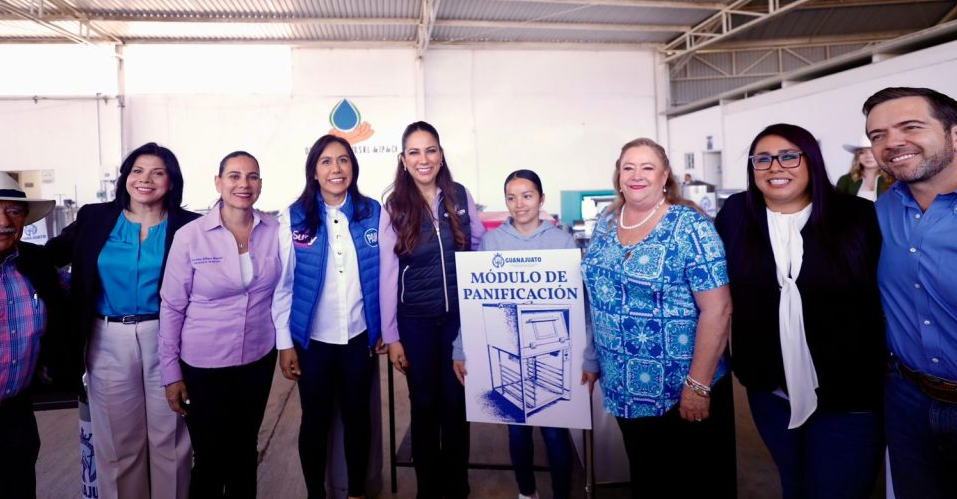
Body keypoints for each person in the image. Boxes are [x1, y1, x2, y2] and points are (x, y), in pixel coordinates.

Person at [715, 124, 886, 499]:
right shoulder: (735, 217)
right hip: (771, 390)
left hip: (848, 394)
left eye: (789, 155)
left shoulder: (858, 217)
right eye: (763, 159)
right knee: (794, 484)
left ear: (811, 160)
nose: (776, 166)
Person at [580, 138, 735, 498]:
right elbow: (598, 297)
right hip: (624, 385)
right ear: (618, 176)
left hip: (679, 388)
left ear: (665, 176)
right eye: (628, 167)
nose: (637, 176)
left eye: (647, 167)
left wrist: (697, 386)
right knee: (647, 478)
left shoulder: (690, 227)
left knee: (686, 483)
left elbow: (719, 308)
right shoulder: (605, 223)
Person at [47, 142, 197, 499]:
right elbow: (48, 257)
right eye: (138, 171)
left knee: (171, 439)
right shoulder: (95, 218)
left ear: (171, 182)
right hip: (107, 337)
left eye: (158, 172)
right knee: (118, 444)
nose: (146, 179)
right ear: (125, 178)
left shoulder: (190, 226)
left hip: (169, 337)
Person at [450, 169, 598, 499]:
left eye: (527, 195)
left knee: (555, 435)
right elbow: (474, 299)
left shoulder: (561, 241)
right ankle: (525, 493)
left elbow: (582, 304)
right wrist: (460, 348)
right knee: (517, 435)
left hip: (552, 347)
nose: (519, 204)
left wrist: (590, 356)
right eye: (512, 197)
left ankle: (561, 494)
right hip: (510, 348)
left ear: (541, 199)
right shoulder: (492, 241)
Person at [158, 151, 279, 498]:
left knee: (244, 450)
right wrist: (171, 372)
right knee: (211, 455)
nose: (244, 184)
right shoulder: (191, 236)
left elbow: (283, 294)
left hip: (257, 359)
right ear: (218, 183)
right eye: (234, 176)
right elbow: (172, 306)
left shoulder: (274, 231)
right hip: (203, 365)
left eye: (252, 176)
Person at [273, 135, 384, 499]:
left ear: (353, 167)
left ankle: (356, 492)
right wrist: (285, 344)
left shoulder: (373, 213)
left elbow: (384, 275)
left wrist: (383, 327)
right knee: (315, 422)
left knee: (357, 419)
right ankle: (315, 493)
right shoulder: (293, 219)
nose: (336, 169)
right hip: (313, 343)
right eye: (326, 162)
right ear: (314, 172)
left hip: (358, 338)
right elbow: (283, 286)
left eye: (343, 160)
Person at [380, 121, 485, 499]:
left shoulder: (459, 196)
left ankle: (457, 485)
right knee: (424, 405)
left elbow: (477, 250)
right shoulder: (394, 206)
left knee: (456, 403)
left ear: (440, 156)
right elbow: (389, 274)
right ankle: (429, 488)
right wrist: (391, 335)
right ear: (403, 160)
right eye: (414, 152)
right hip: (416, 322)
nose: (423, 159)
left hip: (457, 319)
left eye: (430, 150)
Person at [862, 87, 957, 499]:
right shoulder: (881, 212)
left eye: (911, 127)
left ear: (954, 133)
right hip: (907, 398)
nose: (892, 142)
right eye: (877, 134)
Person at [0, 173, 75, 499]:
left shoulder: (36, 262)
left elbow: (78, 293)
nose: (4, 221)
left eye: (14, 211)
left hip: (16, 412)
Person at [835, 135, 893, 200]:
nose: (868, 156)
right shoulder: (845, 180)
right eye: (862, 152)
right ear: (857, 157)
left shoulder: (894, 179)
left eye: (872, 151)